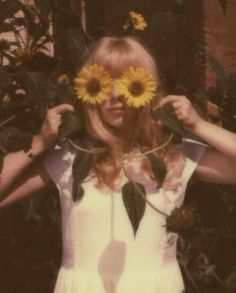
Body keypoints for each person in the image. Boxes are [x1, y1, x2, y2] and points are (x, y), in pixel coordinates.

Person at [1, 36, 236, 293]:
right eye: (103, 82)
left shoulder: (171, 157)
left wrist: (199, 126)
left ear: (147, 90)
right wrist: (36, 144)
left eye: (128, 82)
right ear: (90, 90)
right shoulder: (71, 158)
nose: (115, 94)